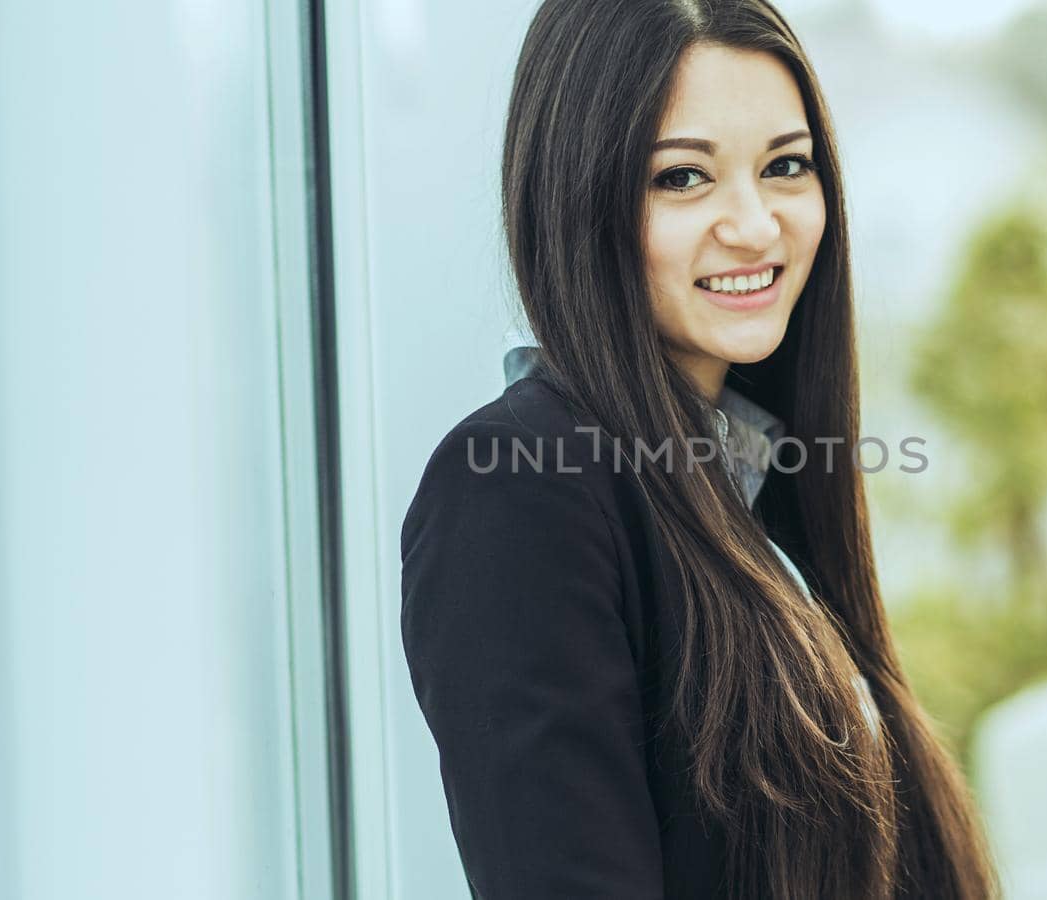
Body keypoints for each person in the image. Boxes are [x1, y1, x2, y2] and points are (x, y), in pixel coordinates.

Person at [399, 1, 998, 897]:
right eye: (682, 178)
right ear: (575, 194)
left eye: (785, 166)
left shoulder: (758, 485)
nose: (755, 226)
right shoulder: (517, 487)